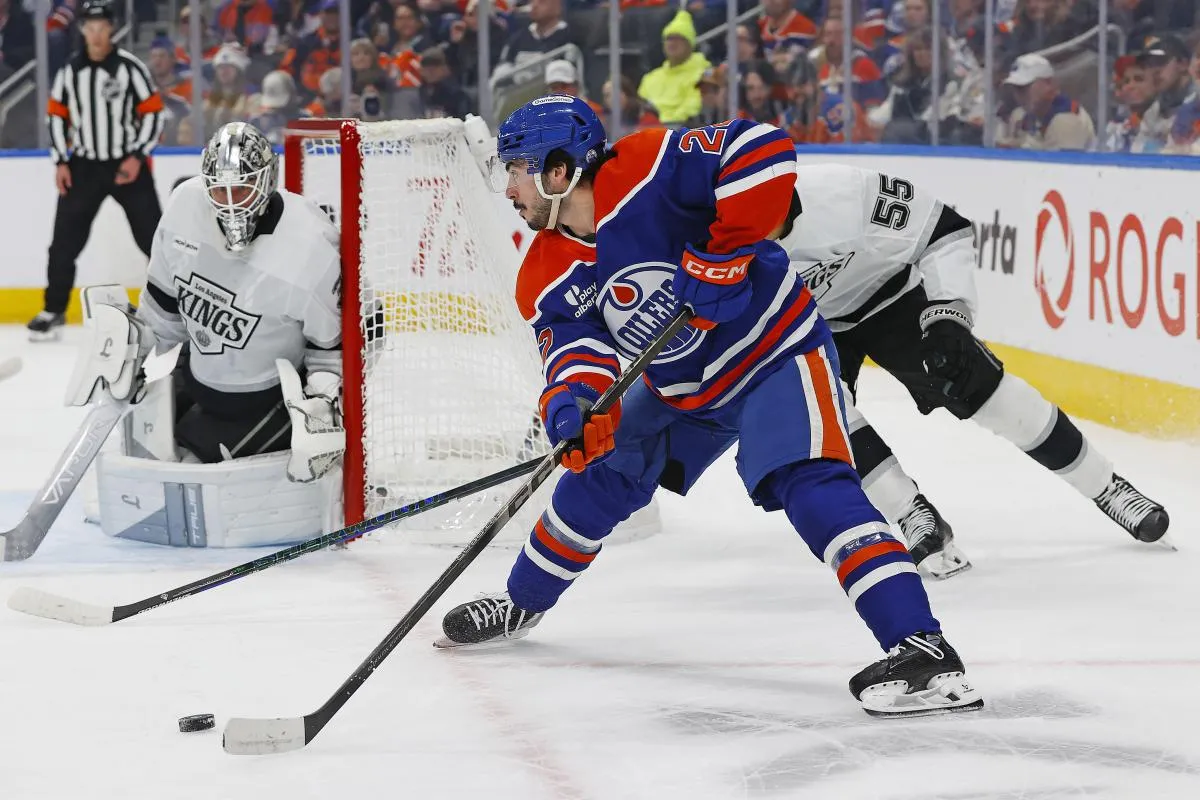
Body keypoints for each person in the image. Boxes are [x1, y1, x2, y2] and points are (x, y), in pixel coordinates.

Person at [436, 96, 985, 719]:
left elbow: (764, 151)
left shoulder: (646, 166)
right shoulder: (542, 271)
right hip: (682, 388)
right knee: (598, 477)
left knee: (810, 485)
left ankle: (923, 649)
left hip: (773, 355)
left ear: (558, 171)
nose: (507, 188)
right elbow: (575, 350)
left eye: (515, 170)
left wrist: (723, 252)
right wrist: (575, 408)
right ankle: (523, 601)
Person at [771, 163, 1170, 577]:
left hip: (888, 294)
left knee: (986, 392)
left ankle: (1107, 486)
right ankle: (912, 513)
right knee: (824, 415)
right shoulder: (713, 239)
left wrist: (948, 315)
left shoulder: (841, 192)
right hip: (808, 326)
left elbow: (941, 227)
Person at [63, 121, 346, 550]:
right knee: (144, 453)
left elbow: (330, 351)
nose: (230, 204)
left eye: (243, 190)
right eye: (220, 190)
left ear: (266, 181)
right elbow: (164, 311)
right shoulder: (184, 206)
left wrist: (322, 402)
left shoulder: (309, 247)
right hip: (195, 381)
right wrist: (130, 351)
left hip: (264, 403)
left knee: (188, 483)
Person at [32, 0, 165, 341]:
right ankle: (54, 309)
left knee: (156, 239)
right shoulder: (70, 71)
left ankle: (178, 306)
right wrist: (61, 160)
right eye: (89, 26)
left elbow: (153, 111)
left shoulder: (130, 68)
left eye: (102, 26)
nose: (96, 33)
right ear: (82, 30)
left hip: (127, 166)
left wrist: (137, 155)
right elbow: (56, 116)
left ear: (111, 28)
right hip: (84, 167)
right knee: (63, 243)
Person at [998, 53, 1094, 151]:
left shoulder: (1065, 120)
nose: (1019, 95)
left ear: (1048, 83)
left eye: (1024, 87)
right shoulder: (1024, 115)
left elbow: (1062, 165)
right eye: (1016, 88)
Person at [637, 10, 711, 127]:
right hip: (648, 131)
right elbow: (640, 108)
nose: (672, 42)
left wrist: (661, 125)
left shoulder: (702, 73)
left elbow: (692, 108)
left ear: (689, 44)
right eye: (669, 38)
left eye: (679, 38)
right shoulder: (650, 78)